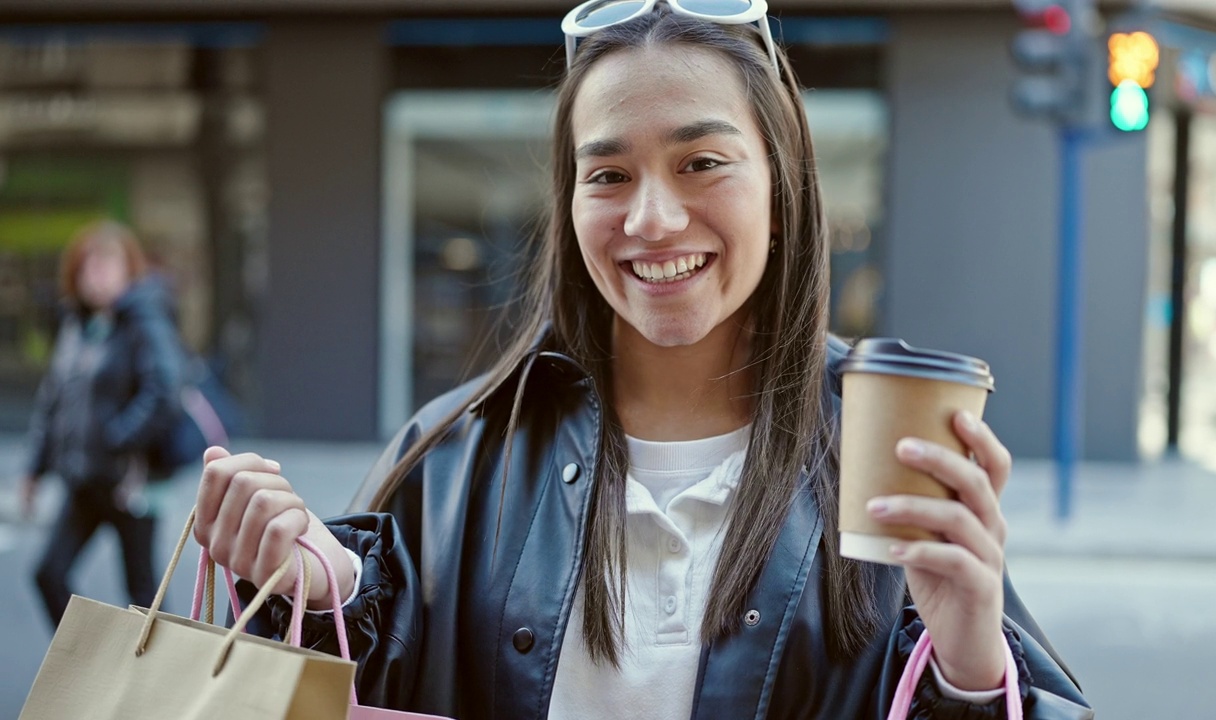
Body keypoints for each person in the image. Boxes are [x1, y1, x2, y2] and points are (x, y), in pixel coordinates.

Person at [194, 2, 1093, 718]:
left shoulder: (881, 448)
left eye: (701, 162)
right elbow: (362, 689)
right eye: (609, 174)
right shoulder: (455, 451)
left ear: (780, 189)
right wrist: (322, 589)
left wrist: (971, 664)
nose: (652, 219)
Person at [22, 219, 185, 628]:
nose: (96, 276)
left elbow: (165, 392)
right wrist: (34, 469)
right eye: (88, 267)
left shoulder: (144, 320)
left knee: (144, 596)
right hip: (83, 481)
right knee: (48, 574)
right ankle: (81, 660)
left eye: (107, 266)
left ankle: (162, 683)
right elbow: (54, 401)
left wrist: (115, 438)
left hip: (129, 485)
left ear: (129, 270)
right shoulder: (77, 325)